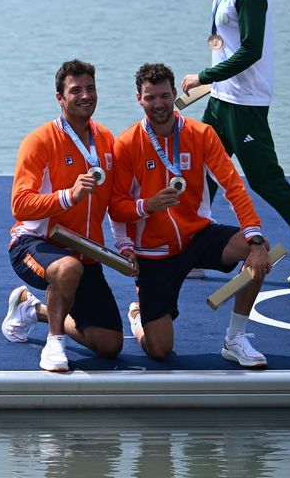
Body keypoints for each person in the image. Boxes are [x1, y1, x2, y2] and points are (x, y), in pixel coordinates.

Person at [111, 62, 272, 368]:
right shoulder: (127, 144)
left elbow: (233, 186)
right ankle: (137, 316)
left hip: (196, 236)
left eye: (164, 96)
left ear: (175, 94)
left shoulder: (201, 134)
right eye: (150, 97)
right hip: (154, 253)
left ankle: (235, 338)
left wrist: (254, 235)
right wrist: (148, 206)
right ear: (139, 99)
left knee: (259, 252)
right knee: (160, 351)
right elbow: (116, 207)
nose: (158, 104)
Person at [180, 0, 290, 290]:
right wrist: (213, 82)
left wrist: (205, 75)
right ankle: (194, 253)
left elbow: (251, 49)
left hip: (245, 104)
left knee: (267, 182)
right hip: (220, 101)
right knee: (202, 173)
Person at [2, 59, 125, 373]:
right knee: (67, 268)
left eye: (90, 88)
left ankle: (35, 309)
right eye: (75, 90)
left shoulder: (107, 141)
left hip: (84, 251)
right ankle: (54, 342)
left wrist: (125, 247)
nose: (85, 96)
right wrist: (69, 196)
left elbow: (115, 203)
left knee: (110, 345)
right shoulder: (40, 141)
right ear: (60, 98)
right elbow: (20, 204)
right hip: (35, 243)